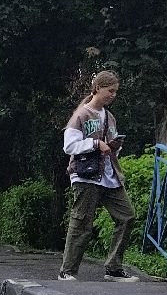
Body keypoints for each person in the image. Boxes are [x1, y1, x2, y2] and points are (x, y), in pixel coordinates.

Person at [58, 70, 138, 282]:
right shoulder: (81, 115)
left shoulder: (110, 117)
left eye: (115, 91)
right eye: (110, 91)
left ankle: (113, 268)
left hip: (110, 176)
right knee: (82, 223)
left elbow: (111, 147)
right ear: (97, 88)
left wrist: (114, 146)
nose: (113, 95)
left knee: (127, 216)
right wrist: (95, 144)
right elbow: (69, 146)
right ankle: (67, 271)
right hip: (85, 175)